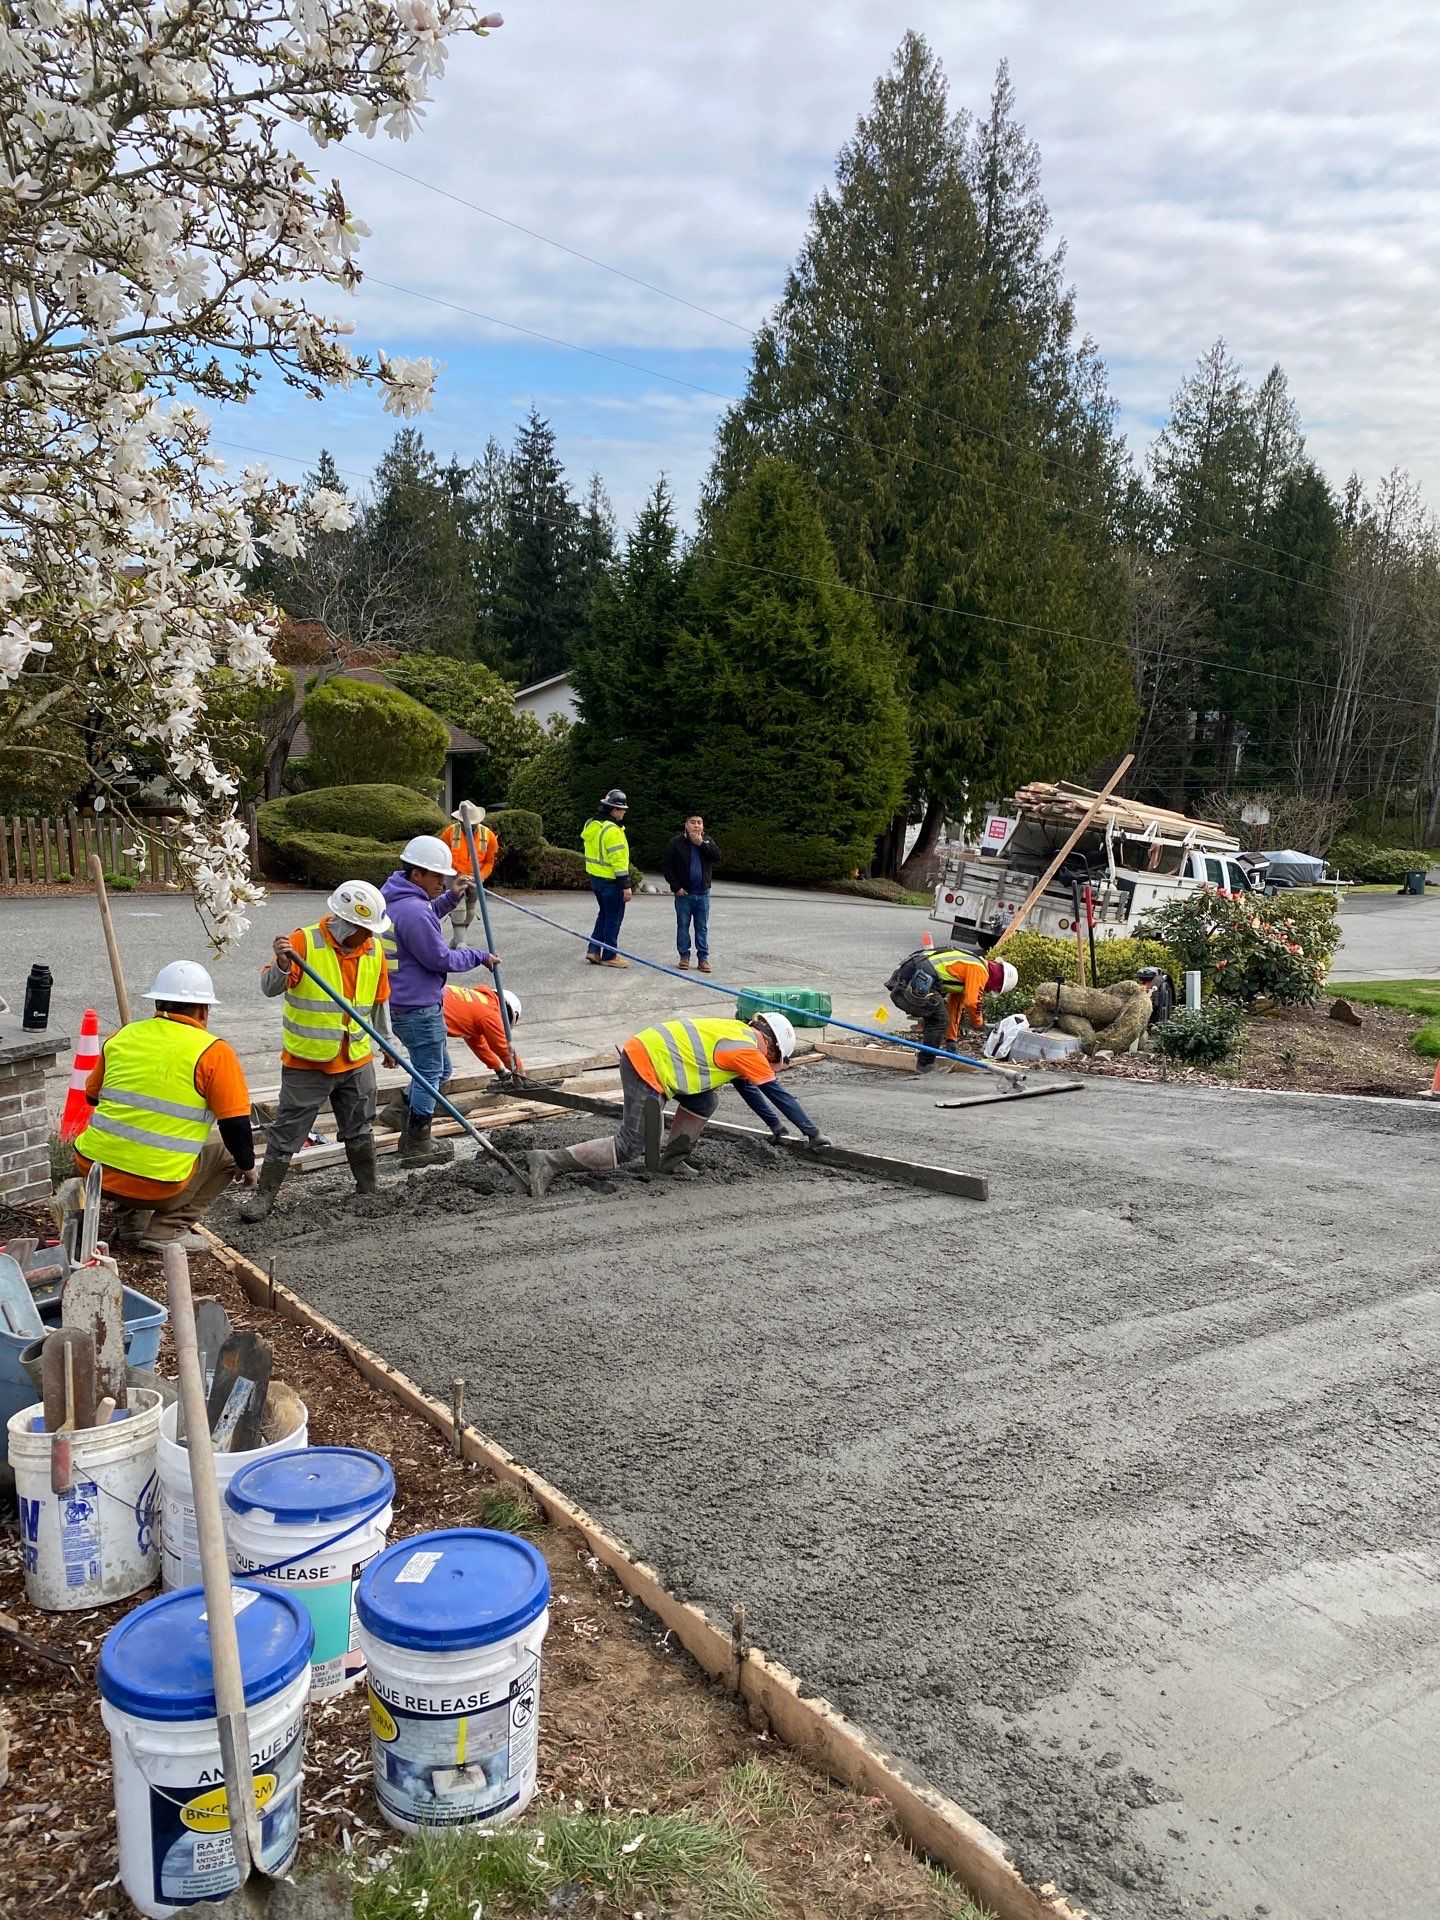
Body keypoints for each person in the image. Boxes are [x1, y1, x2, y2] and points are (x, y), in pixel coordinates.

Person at [526, 1009, 830, 1196]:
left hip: (652, 1055)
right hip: (647, 1064)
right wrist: (812, 1133)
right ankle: (550, 1161)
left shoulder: (739, 1033)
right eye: (778, 1060)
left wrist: (775, 1126)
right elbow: (777, 1093)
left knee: (705, 1101)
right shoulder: (750, 1050)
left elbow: (748, 1088)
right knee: (632, 1144)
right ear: (774, 1049)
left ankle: (671, 1161)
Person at [73, 961, 257, 1252]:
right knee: (226, 1152)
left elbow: (92, 1098)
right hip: (157, 1186)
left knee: (133, 1132)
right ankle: (166, 1231)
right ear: (204, 1010)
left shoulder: (123, 1035)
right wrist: (247, 1166)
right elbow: (235, 1124)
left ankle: (131, 1225)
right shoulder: (214, 1052)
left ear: (157, 1002)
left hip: (93, 1173)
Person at [239, 880, 394, 1222]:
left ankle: (368, 1190)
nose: (369, 936)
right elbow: (269, 988)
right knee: (287, 1131)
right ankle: (264, 1197)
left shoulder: (373, 949)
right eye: (364, 930)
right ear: (345, 924)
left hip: (355, 1057)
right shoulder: (302, 943)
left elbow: (379, 1001)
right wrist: (281, 964)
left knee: (360, 1127)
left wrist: (386, 1043)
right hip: (308, 1062)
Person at [380, 834, 499, 1165]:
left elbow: (426, 914)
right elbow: (440, 958)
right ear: (416, 874)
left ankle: (399, 1112)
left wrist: (450, 897)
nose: (441, 881)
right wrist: (479, 956)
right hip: (418, 1007)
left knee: (439, 1067)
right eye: (437, 876)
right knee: (431, 1072)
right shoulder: (414, 911)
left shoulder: (395, 898)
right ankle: (417, 1142)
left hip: (406, 1001)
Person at [885, 946, 1018, 1072]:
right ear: (998, 981)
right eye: (995, 989)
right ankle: (925, 1064)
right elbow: (972, 1003)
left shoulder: (973, 967)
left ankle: (925, 1058)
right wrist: (979, 1023)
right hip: (917, 975)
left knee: (936, 1017)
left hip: (916, 971)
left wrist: (951, 1040)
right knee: (939, 1020)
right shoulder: (979, 970)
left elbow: (955, 1006)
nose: (990, 991)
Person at [661, 813, 720, 972]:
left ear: (703, 826)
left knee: (702, 928)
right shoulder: (675, 843)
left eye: (699, 823)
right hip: (684, 895)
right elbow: (667, 867)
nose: (696, 825)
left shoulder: (707, 841)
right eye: (692, 822)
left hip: (703, 894)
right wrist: (676, 887)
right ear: (685, 825)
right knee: (683, 926)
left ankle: (703, 959)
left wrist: (701, 844)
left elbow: (717, 857)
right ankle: (684, 957)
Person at [582, 788, 632, 967]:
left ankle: (594, 950)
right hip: (612, 882)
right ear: (613, 810)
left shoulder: (591, 824)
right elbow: (618, 861)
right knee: (613, 917)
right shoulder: (613, 830)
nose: (624, 812)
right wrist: (626, 886)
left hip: (596, 879)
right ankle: (609, 955)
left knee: (604, 914)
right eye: (622, 809)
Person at [439, 816, 500, 945]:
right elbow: (441, 854)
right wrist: (453, 872)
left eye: (473, 823)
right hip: (454, 875)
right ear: (460, 821)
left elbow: (489, 861)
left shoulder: (488, 835)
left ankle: (458, 939)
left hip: (475, 878)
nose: (469, 826)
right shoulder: (450, 832)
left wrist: (480, 877)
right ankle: (461, 941)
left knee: (470, 911)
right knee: (458, 909)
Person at [443, 982, 524, 1079]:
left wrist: (500, 1070)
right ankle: (427, 1094)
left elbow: (480, 1047)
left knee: (434, 1069)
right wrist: (519, 1071)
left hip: (425, 1003)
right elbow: (503, 1049)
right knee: (441, 1071)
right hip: (427, 1014)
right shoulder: (490, 1013)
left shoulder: (479, 1004)